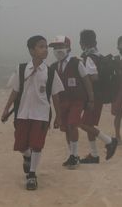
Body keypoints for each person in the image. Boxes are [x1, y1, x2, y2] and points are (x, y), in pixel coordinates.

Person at [1, 35, 64, 190]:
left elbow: (55, 96)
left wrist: (58, 116)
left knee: (37, 144)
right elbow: (15, 90)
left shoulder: (50, 72)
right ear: (31, 50)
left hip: (41, 114)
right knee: (21, 144)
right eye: (41, 46)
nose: (45, 50)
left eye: (45, 47)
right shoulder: (21, 69)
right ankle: (27, 157)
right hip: (22, 113)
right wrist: (6, 108)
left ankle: (32, 175)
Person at [49, 35, 95, 169]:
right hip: (63, 102)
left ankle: (75, 156)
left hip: (77, 100)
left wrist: (91, 99)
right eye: (56, 48)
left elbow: (86, 81)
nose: (58, 50)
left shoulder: (76, 63)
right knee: (66, 129)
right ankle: (71, 155)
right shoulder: (53, 67)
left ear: (68, 48)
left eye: (61, 47)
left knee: (72, 124)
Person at [79, 29, 118, 164]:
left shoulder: (89, 57)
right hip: (99, 95)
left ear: (82, 43)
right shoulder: (98, 55)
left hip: (93, 96)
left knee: (82, 124)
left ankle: (109, 141)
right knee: (89, 124)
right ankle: (94, 155)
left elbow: (94, 77)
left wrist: (85, 82)